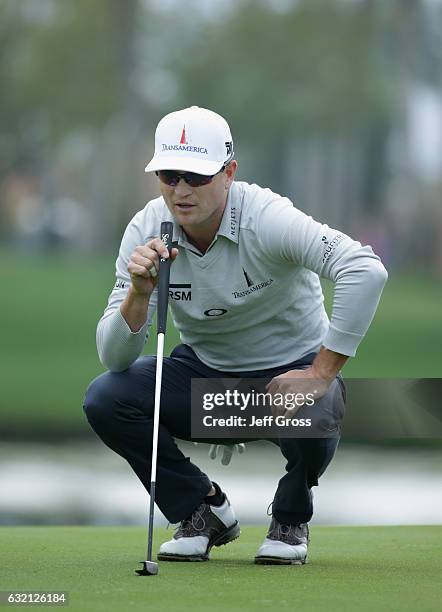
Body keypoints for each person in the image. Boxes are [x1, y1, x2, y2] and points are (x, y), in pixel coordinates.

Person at [83, 105, 388, 565]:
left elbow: (364, 269)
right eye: (169, 175)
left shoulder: (267, 217)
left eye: (197, 176)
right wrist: (139, 296)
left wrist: (320, 374)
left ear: (229, 173)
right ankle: (200, 510)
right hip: (210, 384)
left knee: (321, 404)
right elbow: (114, 359)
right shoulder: (147, 229)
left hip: (287, 381)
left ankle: (290, 515)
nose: (181, 191)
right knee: (106, 397)